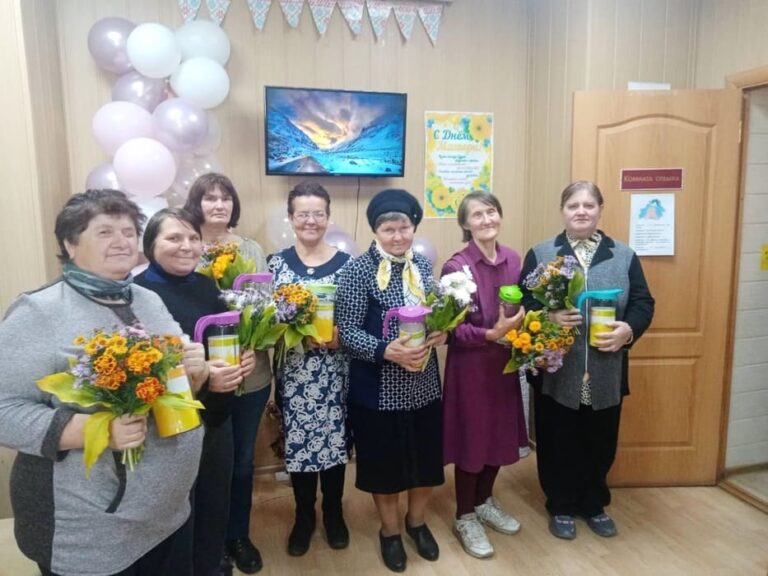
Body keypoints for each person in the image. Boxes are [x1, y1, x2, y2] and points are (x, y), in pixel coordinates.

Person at [0, 190, 207, 576]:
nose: (122, 241)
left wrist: (196, 373)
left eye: (128, 232)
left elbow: (174, 387)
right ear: (70, 243)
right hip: (93, 532)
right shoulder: (40, 311)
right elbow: (3, 410)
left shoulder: (147, 300)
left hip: (168, 515)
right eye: (105, 232)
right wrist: (91, 429)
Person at [520, 180, 654, 540]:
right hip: (557, 370)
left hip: (606, 369)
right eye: (573, 205)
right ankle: (560, 505)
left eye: (588, 205)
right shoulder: (542, 253)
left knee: (600, 440)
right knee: (557, 440)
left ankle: (594, 504)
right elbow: (525, 302)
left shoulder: (624, 255)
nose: (581, 212)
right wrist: (547, 317)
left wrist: (629, 330)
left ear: (600, 210)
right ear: (562, 211)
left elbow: (643, 303)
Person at [135, 208, 257, 576]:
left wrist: (243, 356)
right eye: (174, 238)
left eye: (193, 238)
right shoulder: (138, 294)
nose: (186, 246)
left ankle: (212, 563)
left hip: (217, 415)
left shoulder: (206, 285)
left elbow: (219, 337)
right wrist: (202, 377)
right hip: (168, 428)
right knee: (177, 512)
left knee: (214, 499)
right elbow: (143, 371)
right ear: (150, 245)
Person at [337, 189, 447, 573]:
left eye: (404, 228)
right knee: (384, 466)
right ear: (376, 231)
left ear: (413, 228)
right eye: (389, 229)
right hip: (377, 388)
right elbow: (346, 332)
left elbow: (435, 314)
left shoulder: (422, 265)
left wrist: (441, 331)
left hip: (423, 383)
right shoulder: (358, 270)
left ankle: (417, 523)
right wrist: (386, 350)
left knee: (425, 461)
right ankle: (390, 531)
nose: (398, 236)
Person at [184, 174, 271, 574]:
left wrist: (254, 345)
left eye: (225, 198)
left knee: (242, 462)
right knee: (206, 463)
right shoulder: (187, 250)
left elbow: (265, 307)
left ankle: (238, 534)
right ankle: (210, 540)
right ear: (196, 204)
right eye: (209, 198)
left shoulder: (250, 249)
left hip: (250, 374)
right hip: (202, 380)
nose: (218, 204)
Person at [267, 181, 352, 557]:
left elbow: (357, 319)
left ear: (328, 217)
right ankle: (304, 516)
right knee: (299, 446)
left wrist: (341, 337)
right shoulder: (274, 264)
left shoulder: (347, 264)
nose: (311, 221)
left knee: (335, 444)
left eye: (318, 213)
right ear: (290, 218)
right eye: (303, 214)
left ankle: (334, 513)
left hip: (335, 372)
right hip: (294, 375)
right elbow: (264, 321)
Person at [441, 191, 528, 559]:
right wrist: (491, 333)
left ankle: (484, 501)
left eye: (491, 211)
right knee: (473, 440)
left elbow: (522, 309)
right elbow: (451, 329)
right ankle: (465, 515)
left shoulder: (514, 259)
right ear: (465, 224)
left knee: (499, 435)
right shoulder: (456, 267)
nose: (486, 219)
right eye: (477, 215)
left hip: (504, 366)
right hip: (471, 369)